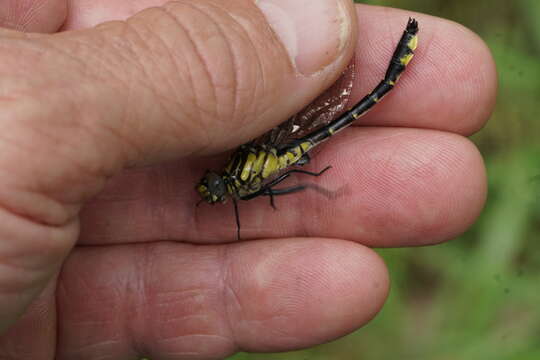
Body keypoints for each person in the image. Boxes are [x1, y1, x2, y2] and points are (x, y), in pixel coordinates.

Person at [0, 0, 496, 358]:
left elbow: (292, 180)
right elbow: (286, 183)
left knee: (364, 109)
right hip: (288, 152)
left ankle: (395, 64)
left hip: (290, 141)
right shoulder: (244, 182)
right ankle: (396, 62)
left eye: (214, 188)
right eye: (214, 190)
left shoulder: (241, 181)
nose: (212, 189)